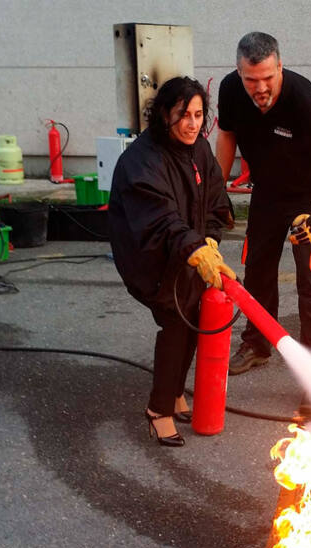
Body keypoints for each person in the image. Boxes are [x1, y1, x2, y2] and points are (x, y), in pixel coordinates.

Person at [216, 32, 311, 398]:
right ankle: (257, 344)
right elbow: (226, 136)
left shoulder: (304, 99)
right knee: (256, 268)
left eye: (268, 77)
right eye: (251, 79)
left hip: (308, 198)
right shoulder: (230, 90)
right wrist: (216, 192)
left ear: (280, 66)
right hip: (267, 193)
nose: (260, 87)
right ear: (239, 72)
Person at [109, 77, 236, 447]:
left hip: (189, 250)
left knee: (197, 320)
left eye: (198, 115)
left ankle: (177, 393)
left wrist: (210, 237)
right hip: (154, 256)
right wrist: (193, 247)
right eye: (183, 115)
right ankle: (158, 410)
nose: (192, 124)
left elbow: (215, 195)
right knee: (176, 324)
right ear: (164, 114)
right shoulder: (141, 160)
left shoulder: (198, 149)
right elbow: (158, 217)